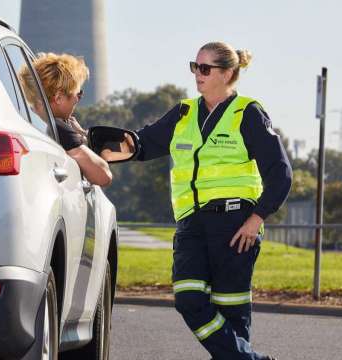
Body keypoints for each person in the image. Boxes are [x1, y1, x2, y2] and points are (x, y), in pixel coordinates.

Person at [132, 42, 292, 360]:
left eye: (205, 68)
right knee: (188, 298)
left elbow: (280, 173)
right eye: (195, 66)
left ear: (228, 73)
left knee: (231, 311)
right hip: (192, 223)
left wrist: (256, 219)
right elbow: (142, 144)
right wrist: (90, 142)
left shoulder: (248, 112)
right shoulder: (184, 112)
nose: (198, 75)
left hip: (236, 224)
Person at [22, 52, 112, 186]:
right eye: (78, 94)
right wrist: (79, 137)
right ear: (58, 98)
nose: (77, 99)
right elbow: (103, 176)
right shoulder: (57, 127)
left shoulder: (23, 118)